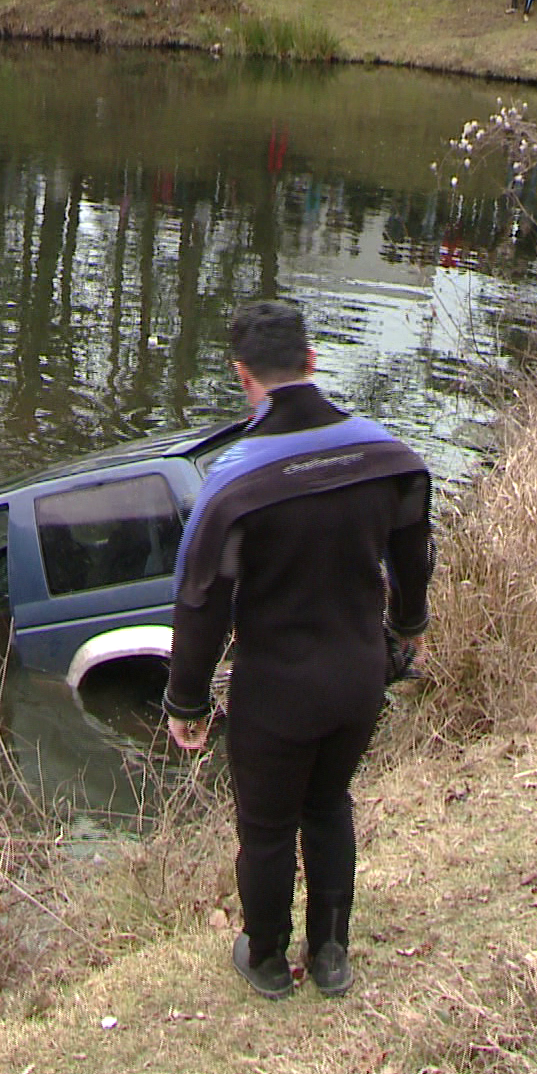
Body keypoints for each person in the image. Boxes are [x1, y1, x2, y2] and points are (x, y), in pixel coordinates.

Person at [163, 301, 433, 1000]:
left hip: (276, 688)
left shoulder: (235, 481)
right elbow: (415, 553)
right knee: (329, 803)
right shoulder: (388, 456)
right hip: (357, 677)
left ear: (242, 374)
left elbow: (201, 601)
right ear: (313, 363)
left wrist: (185, 699)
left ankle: (265, 960)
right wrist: (406, 629)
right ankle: (332, 955)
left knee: (268, 825)